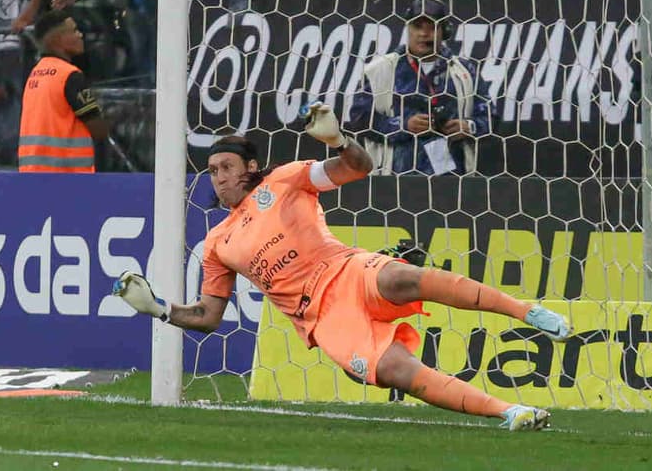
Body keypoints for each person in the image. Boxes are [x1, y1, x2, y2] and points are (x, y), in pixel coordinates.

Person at [113, 113, 570, 431]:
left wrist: (337, 140)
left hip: (346, 268)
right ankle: (509, 411)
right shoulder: (218, 244)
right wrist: (159, 309)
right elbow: (210, 316)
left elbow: (359, 168)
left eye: (227, 167)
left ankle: (528, 312)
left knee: (401, 278)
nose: (219, 178)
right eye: (212, 171)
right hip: (324, 319)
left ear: (250, 167)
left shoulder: (285, 179)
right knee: (396, 371)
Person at [345, 0, 492, 175]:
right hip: (393, 177)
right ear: (408, 29)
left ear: (445, 31)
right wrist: (404, 125)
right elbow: (359, 118)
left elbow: (491, 117)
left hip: (452, 179)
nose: (423, 33)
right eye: (417, 26)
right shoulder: (380, 69)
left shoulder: (464, 71)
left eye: (431, 27)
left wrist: (469, 127)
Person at [17, 9, 110, 173]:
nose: (80, 35)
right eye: (74, 31)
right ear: (59, 40)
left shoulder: (34, 74)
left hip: (32, 174)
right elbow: (98, 129)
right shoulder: (70, 76)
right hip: (68, 178)